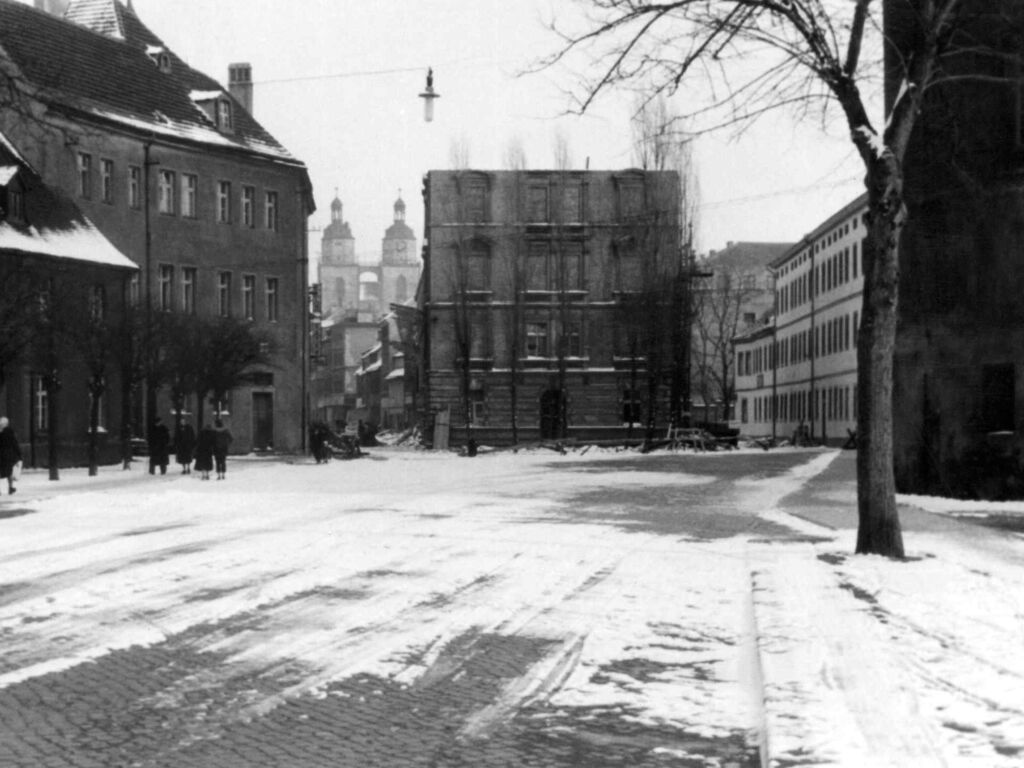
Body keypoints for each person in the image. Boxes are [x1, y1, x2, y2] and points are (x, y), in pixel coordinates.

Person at [0, 416, 22, 495]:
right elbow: (14, 443)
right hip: (8, 455)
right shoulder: (10, 432)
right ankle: (10, 488)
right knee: (9, 472)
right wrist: (19, 454)